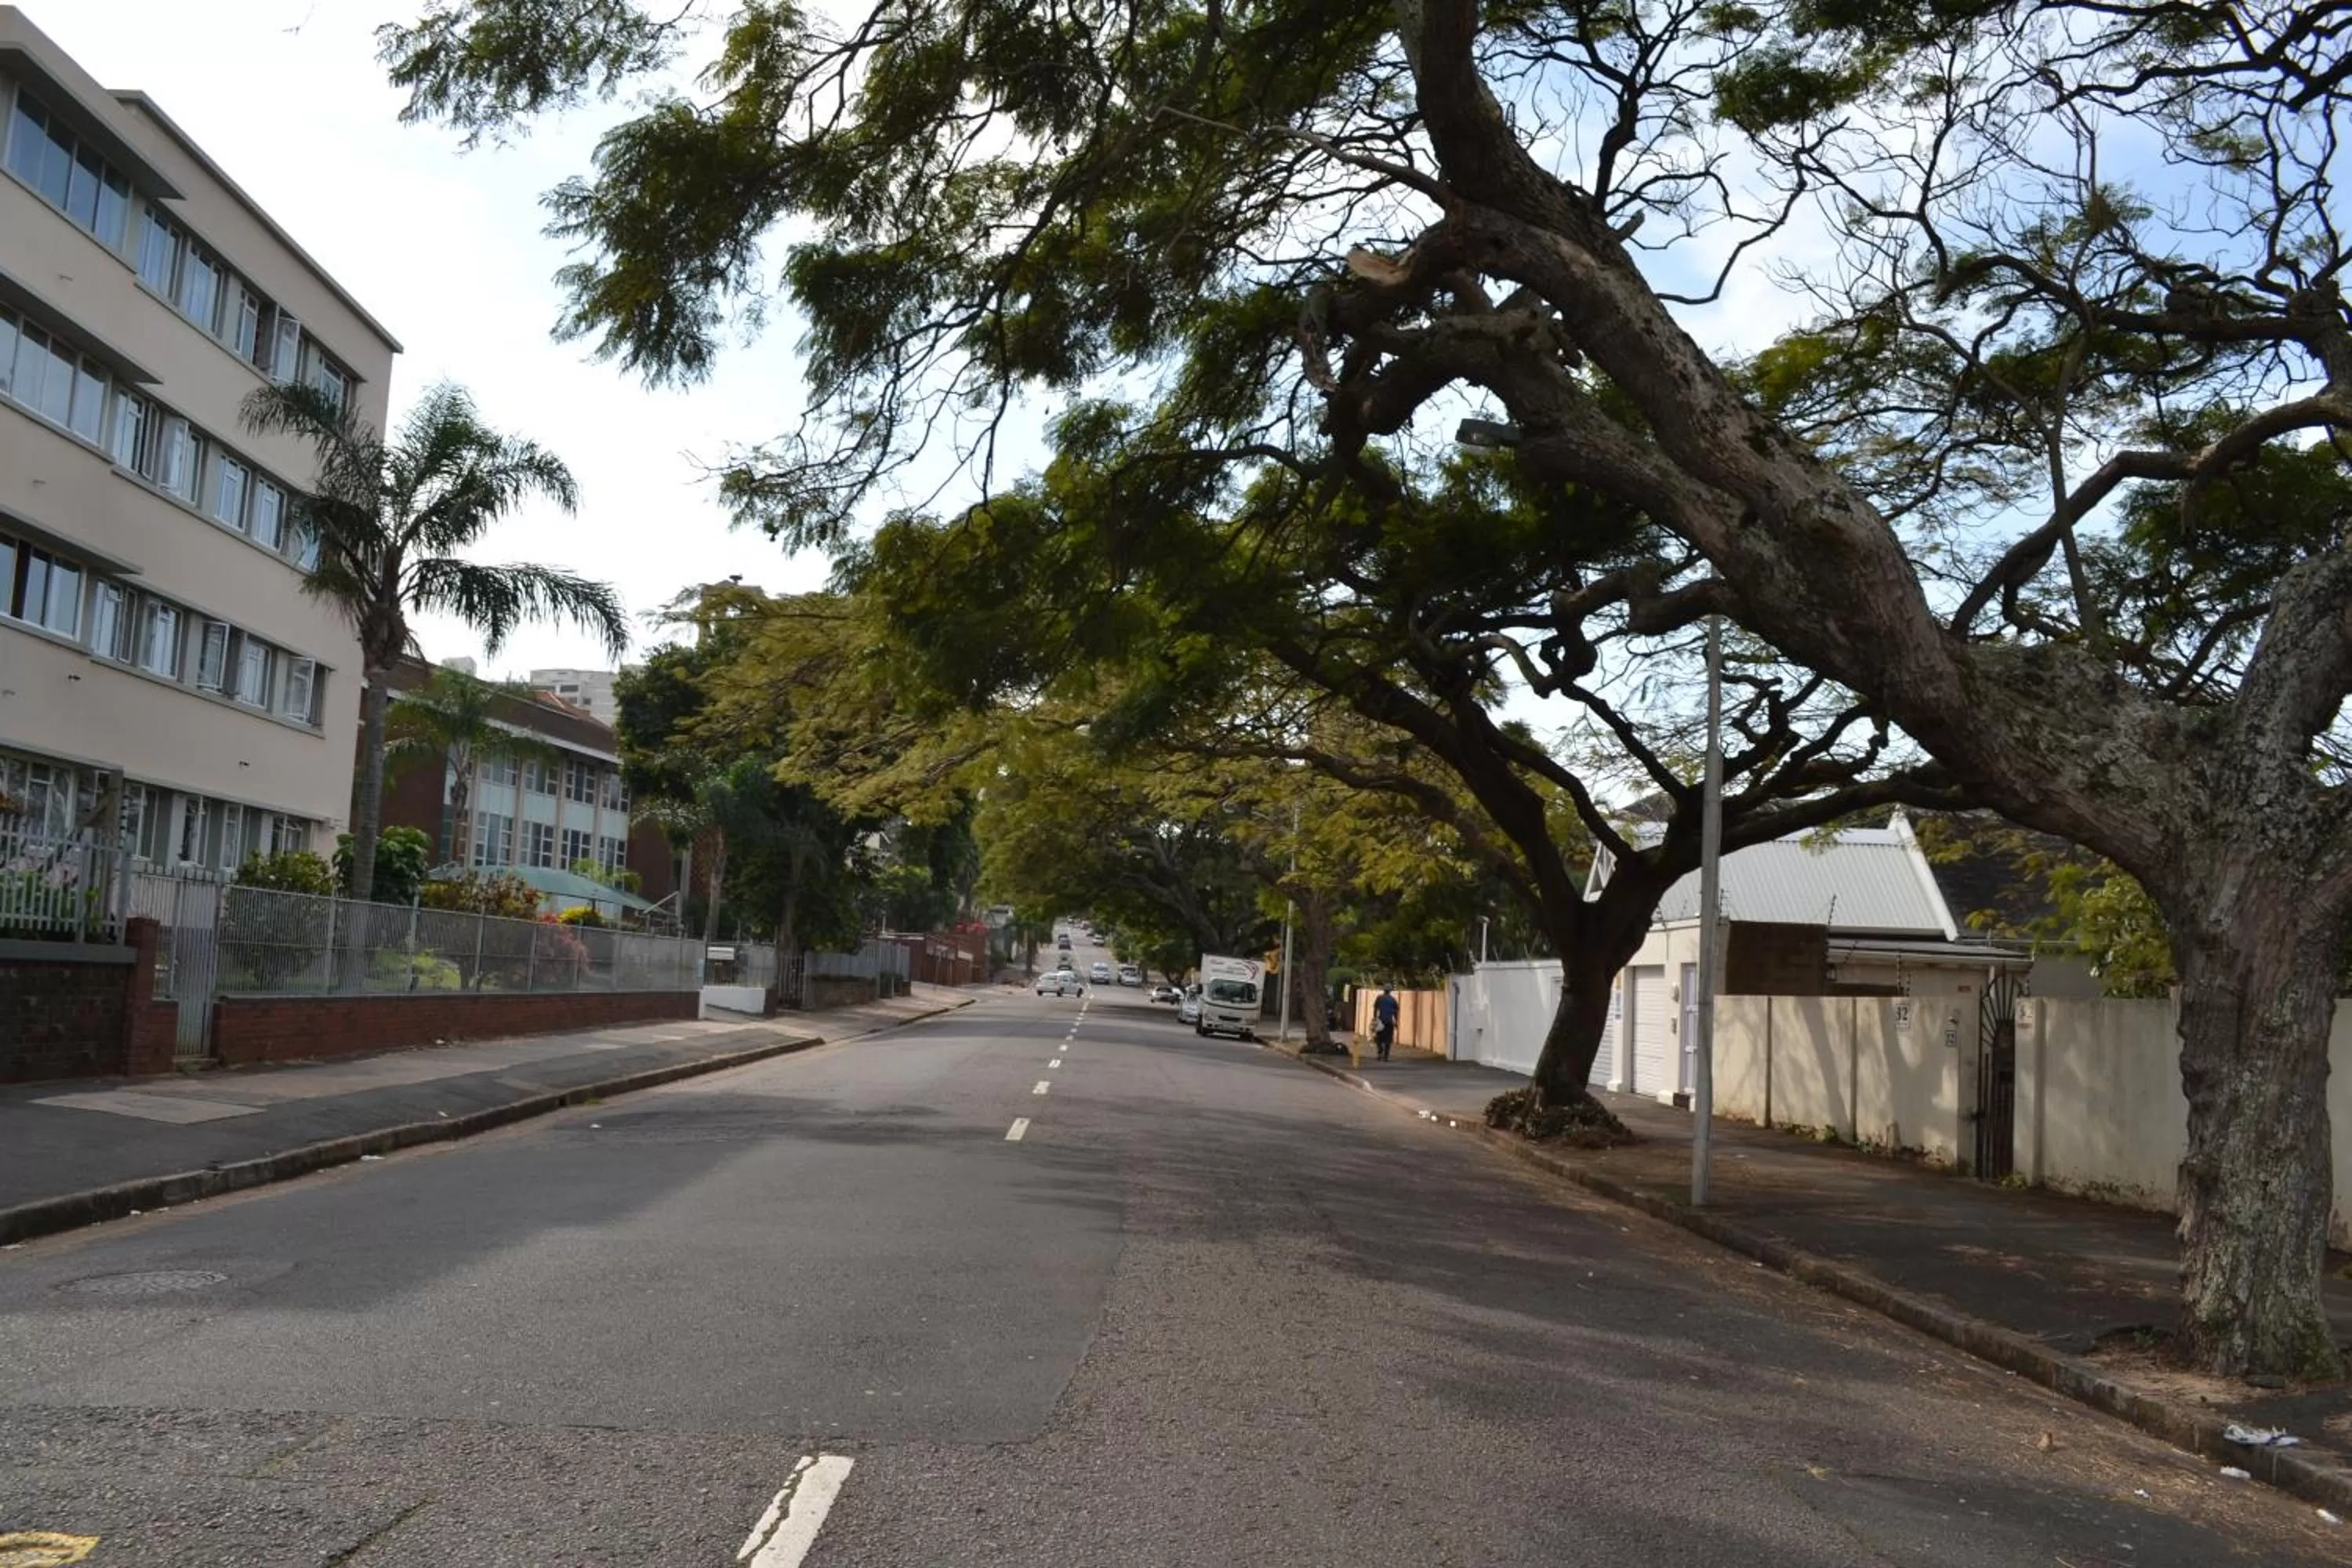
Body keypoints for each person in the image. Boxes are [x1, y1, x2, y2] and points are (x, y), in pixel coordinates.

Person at [1372, 986, 1400, 1062]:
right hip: (1389, 1022)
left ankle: (1380, 1052)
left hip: (1381, 1021)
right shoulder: (1393, 999)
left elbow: (1375, 1008)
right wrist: (1396, 1022)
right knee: (1388, 1040)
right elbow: (1396, 1011)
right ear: (1390, 991)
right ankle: (1386, 1056)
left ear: (1384, 990)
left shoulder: (1379, 998)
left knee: (1379, 1038)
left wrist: (1374, 1018)